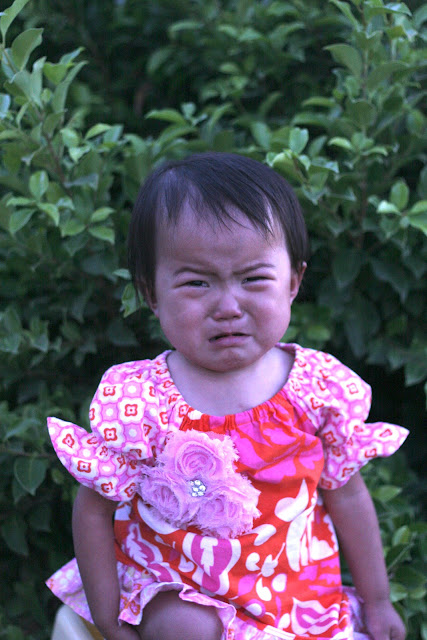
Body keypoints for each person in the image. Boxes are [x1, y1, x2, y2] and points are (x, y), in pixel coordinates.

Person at [47, 152, 408, 640]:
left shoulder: (318, 388)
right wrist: (107, 616)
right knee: (185, 626)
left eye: (253, 278)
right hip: (174, 584)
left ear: (293, 282)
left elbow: (348, 494)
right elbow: (93, 509)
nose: (228, 306)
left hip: (293, 595)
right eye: (197, 283)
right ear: (152, 293)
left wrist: (378, 599)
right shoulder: (141, 400)